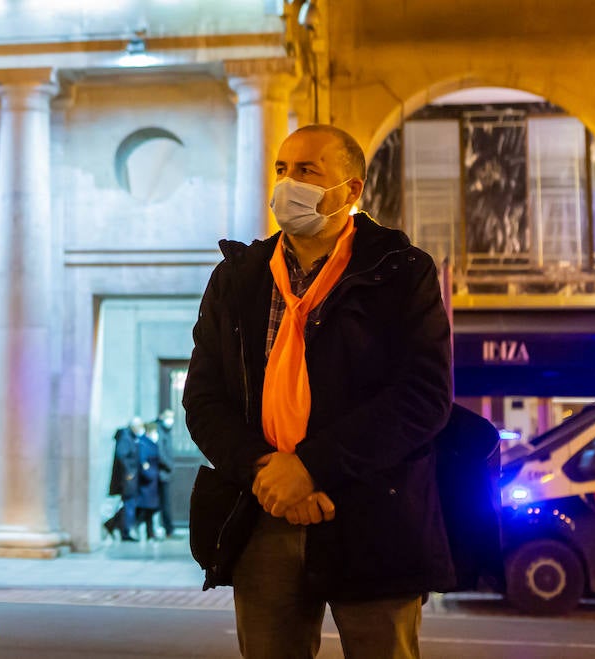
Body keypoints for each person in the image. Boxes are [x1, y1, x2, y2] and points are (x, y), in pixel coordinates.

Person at [183, 124, 454, 659]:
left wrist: (310, 467)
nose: (289, 183)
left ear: (351, 190)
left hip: (374, 515)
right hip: (263, 511)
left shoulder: (399, 271)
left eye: (307, 171)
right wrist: (267, 471)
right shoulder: (238, 277)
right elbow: (203, 398)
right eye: (283, 170)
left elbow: (423, 396)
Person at [137, 410, 178, 540]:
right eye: (168, 417)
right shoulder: (159, 430)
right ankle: (167, 529)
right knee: (159, 503)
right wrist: (169, 465)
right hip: (160, 474)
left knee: (156, 504)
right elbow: (160, 453)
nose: (170, 420)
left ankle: (157, 529)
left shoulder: (165, 430)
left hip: (162, 473)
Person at [103, 417, 144, 542]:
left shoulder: (131, 437)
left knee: (128, 504)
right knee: (129, 503)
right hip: (128, 478)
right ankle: (126, 530)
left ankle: (112, 525)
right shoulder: (126, 438)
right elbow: (121, 455)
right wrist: (129, 472)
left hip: (131, 477)